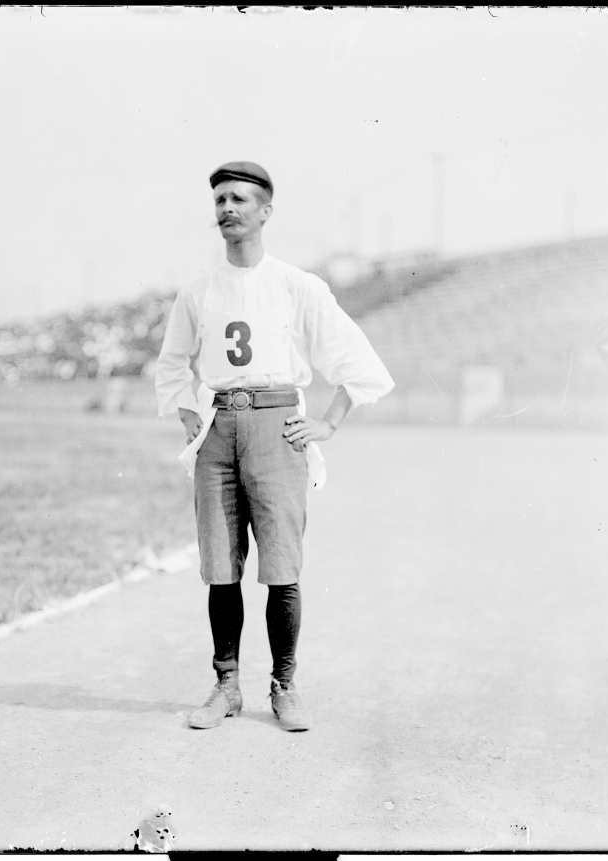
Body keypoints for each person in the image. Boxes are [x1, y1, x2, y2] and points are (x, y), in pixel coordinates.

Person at [154, 161, 395, 732]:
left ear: (266, 211)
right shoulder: (197, 292)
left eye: (239, 199)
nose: (227, 209)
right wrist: (189, 413)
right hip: (218, 430)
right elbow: (172, 364)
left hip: (276, 424)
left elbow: (356, 363)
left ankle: (284, 686)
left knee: (281, 567)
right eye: (219, 201)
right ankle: (226, 685)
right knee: (220, 567)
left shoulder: (298, 286)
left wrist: (329, 423)